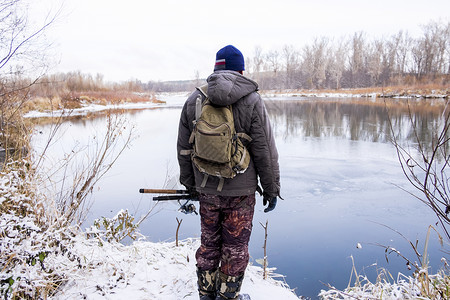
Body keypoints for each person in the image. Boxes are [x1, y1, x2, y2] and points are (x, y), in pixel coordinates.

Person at [177, 45, 281, 300]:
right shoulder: (253, 100)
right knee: (235, 248)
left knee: (209, 243)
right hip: (241, 191)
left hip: (206, 189)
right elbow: (264, 150)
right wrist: (271, 189)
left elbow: (183, 149)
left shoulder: (194, 99)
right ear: (241, 70)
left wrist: (191, 186)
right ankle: (227, 296)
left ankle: (206, 294)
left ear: (215, 69)